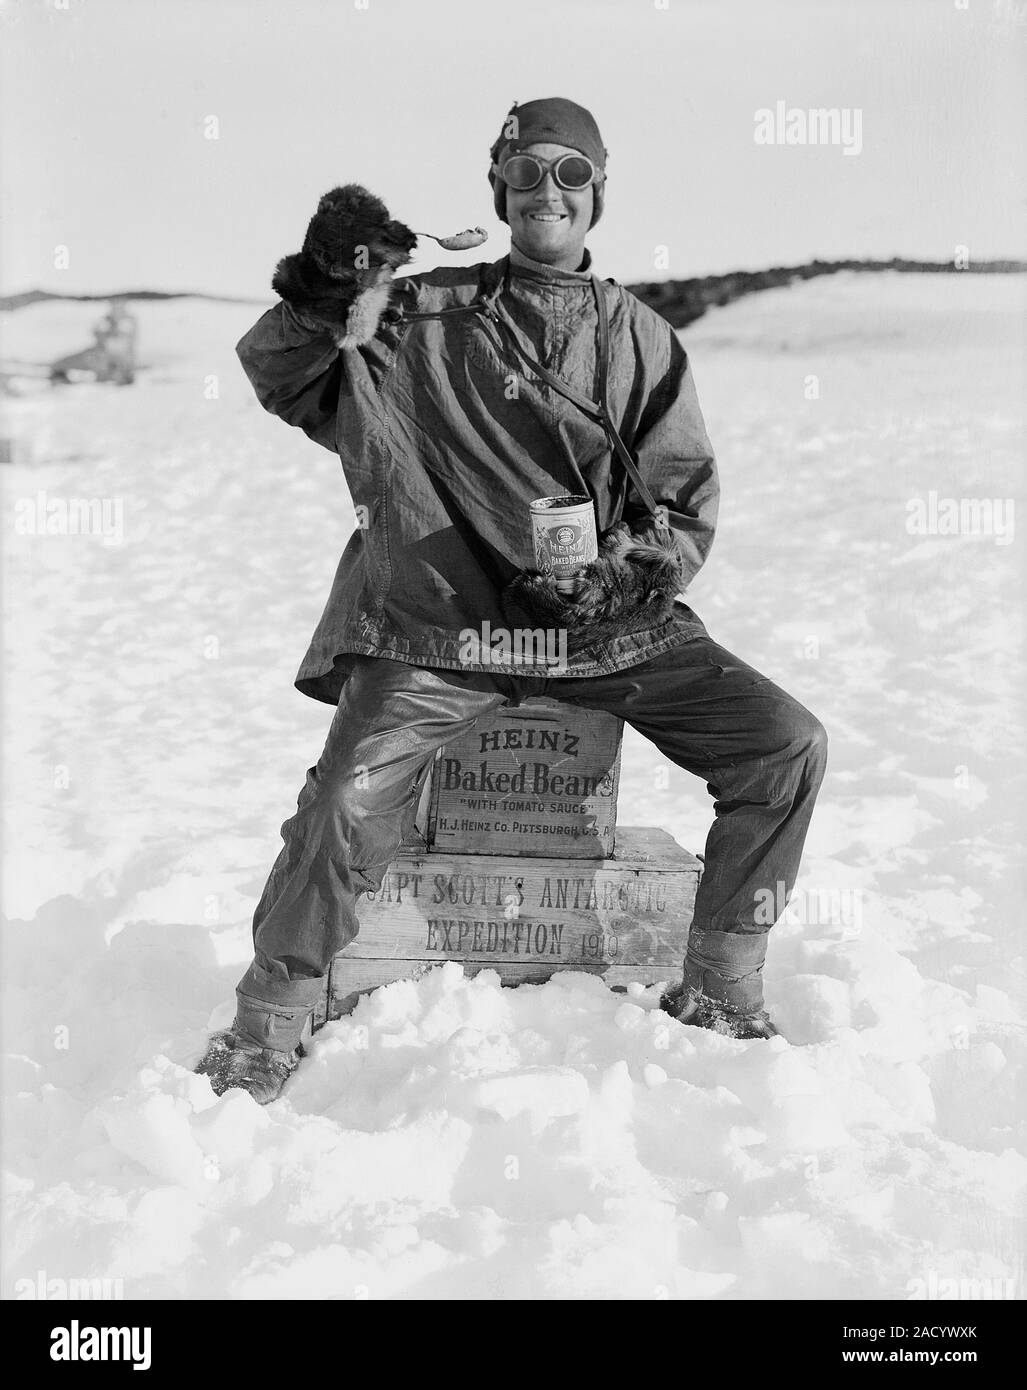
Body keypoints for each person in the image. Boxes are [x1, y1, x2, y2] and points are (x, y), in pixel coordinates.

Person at [196, 97, 827, 1104]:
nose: (548, 192)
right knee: (346, 799)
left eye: (570, 173)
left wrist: (616, 576)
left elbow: (681, 502)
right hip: (439, 626)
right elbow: (282, 367)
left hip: (603, 633)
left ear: (598, 194)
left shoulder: (639, 340)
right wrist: (328, 283)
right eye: (526, 172)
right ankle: (270, 1019)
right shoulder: (418, 313)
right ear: (497, 190)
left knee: (783, 743)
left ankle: (719, 985)